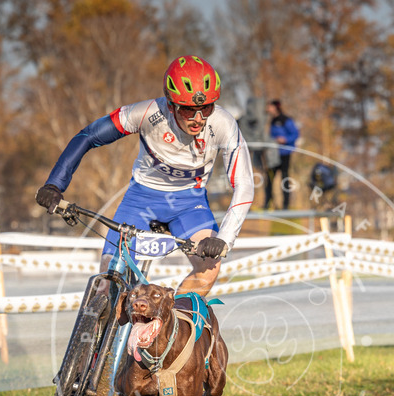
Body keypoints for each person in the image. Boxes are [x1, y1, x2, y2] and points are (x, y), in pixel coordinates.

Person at [34, 55, 254, 297]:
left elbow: (244, 184)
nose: (199, 119)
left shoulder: (223, 124)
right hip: (140, 201)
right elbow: (88, 136)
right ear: (171, 105)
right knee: (107, 283)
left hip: (190, 205)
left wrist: (224, 238)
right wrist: (55, 184)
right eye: (189, 110)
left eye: (207, 108)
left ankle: (170, 327)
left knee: (209, 270)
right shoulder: (148, 112)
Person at [264, 99, 299, 211]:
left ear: (275, 107)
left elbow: (295, 134)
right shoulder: (272, 121)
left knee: (284, 179)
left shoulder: (286, 120)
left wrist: (285, 139)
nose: (268, 109)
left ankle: (286, 205)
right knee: (269, 179)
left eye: (270, 106)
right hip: (273, 155)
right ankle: (267, 203)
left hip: (284, 154)